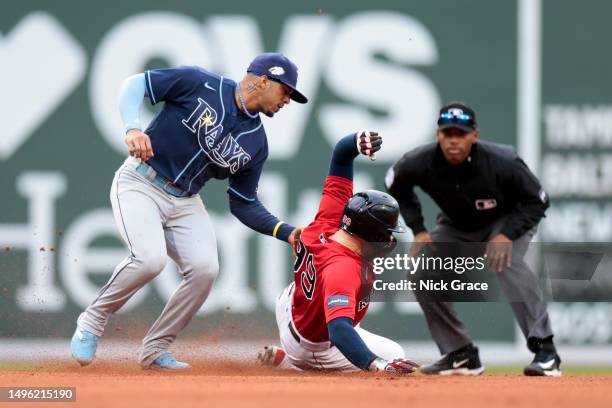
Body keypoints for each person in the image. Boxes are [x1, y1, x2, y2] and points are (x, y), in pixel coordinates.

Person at [71, 53, 306, 369]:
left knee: (205, 270)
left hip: (185, 201)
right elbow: (134, 84)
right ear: (263, 80)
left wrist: (286, 231)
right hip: (141, 180)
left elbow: (243, 201)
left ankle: (155, 351)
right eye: (286, 91)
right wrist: (131, 128)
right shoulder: (201, 83)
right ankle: (92, 320)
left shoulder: (256, 142)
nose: (287, 100)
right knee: (149, 259)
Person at [385, 102, 561, 377]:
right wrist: (418, 228)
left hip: (507, 220)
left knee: (508, 259)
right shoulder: (420, 161)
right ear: (438, 135)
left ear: (474, 136)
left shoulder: (502, 160)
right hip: (458, 225)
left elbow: (538, 200)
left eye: (461, 134)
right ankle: (461, 354)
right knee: (421, 268)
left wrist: (507, 235)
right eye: (448, 133)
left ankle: (545, 351)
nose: (454, 140)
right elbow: (394, 181)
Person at [259, 131, 418, 374]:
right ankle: (293, 362)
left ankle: (290, 355)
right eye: (386, 232)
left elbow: (341, 156)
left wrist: (356, 142)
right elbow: (339, 330)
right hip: (314, 344)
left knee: (347, 305)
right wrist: (377, 364)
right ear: (370, 232)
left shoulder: (331, 219)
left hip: (291, 306)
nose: (389, 238)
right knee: (394, 354)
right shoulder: (343, 268)